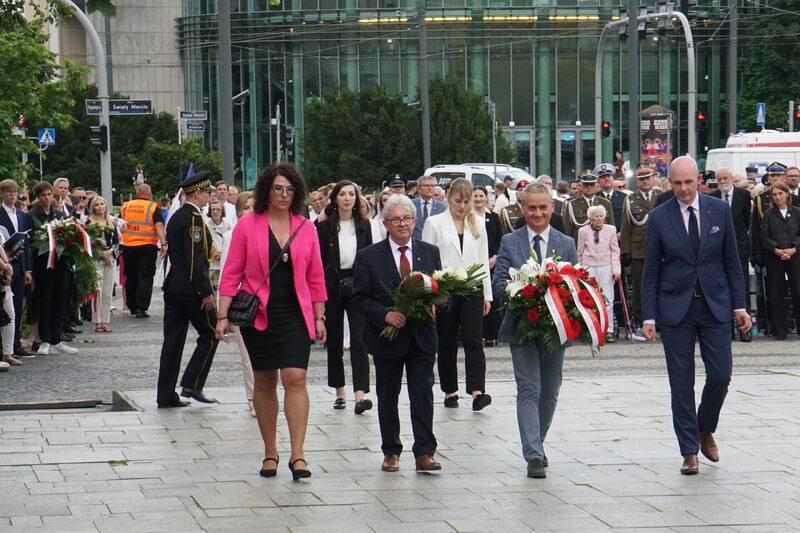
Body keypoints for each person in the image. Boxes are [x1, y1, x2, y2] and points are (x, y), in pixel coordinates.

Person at [216, 163, 327, 481]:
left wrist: (320, 317)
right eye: (278, 188)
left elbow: (316, 277)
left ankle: (298, 454)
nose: (284, 194)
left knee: (295, 378)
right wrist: (223, 316)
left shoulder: (306, 227)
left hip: (296, 312)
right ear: (267, 190)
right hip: (257, 313)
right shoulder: (248, 225)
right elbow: (232, 273)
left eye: (290, 189)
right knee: (264, 382)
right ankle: (269, 451)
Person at [642, 156, 751, 476]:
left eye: (688, 183)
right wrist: (649, 316)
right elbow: (651, 271)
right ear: (669, 182)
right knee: (681, 382)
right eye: (677, 183)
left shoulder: (719, 210)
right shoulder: (659, 217)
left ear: (699, 181)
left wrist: (740, 305)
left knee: (720, 375)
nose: (683, 189)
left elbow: (732, 260)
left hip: (715, 304)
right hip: (676, 309)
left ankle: (705, 429)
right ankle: (689, 450)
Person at [492, 182, 578, 478]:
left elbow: (576, 285)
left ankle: (537, 443)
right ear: (522, 209)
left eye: (543, 207)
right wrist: (523, 289)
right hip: (521, 326)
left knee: (550, 390)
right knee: (529, 388)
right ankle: (533, 455)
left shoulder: (566, 242)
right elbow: (497, 283)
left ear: (552, 208)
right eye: (532, 208)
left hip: (555, 329)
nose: (538, 213)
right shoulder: (509, 242)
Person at [352, 194, 443, 473]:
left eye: (407, 219)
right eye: (396, 219)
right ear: (385, 222)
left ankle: (425, 451)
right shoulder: (368, 256)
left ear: (415, 221)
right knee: (388, 395)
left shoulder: (429, 252)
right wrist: (384, 315)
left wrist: (438, 301)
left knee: (422, 394)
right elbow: (359, 297)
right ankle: (391, 451)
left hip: (422, 335)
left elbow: (441, 287)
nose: (402, 224)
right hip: (386, 337)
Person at [422, 178, 493, 411]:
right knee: (447, 340)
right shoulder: (434, 223)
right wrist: (429, 295)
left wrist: (487, 294)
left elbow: (483, 260)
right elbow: (427, 258)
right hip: (445, 288)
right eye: (458, 201)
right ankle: (449, 390)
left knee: (474, 340)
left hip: (472, 287)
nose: (462, 206)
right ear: (449, 198)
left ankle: (477, 391)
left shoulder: (479, 223)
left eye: (466, 201)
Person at [156, 171, 220, 408]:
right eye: (207, 192)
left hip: (175, 287)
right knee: (212, 332)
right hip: (189, 290)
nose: (210, 196)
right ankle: (193, 383)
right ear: (196, 193)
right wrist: (205, 292)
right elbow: (195, 260)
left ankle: (165, 394)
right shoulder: (193, 219)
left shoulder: (177, 216)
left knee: (172, 342)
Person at [316, 180, 373, 413]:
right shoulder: (324, 226)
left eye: (352, 194)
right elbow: (317, 258)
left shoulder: (364, 225)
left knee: (359, 340)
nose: (348, 198)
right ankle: (340, 391)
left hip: (358, 284)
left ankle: (360, 394)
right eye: (343, 194)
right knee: (335, 341)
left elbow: (370, 255)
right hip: (333, 285)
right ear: (335, 198)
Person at [29, 182, 78, 355]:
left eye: (49, 194)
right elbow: (30, 243)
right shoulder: (32, 215)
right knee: (44, 301)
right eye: (43, 195)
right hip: (42, 265)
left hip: (59, 264)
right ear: (38, 196)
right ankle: (44, 339)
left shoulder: (58, 214)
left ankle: (57, 339)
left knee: (59, 301)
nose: (47, 198)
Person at [219, 191, 257, 416]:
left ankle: (266, 394)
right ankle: (253, 398)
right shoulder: (230, 235)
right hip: (242, 304)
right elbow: (226, 275)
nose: (250, 212)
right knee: (248, 355)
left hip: (266, 301)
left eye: (254, 208)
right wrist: (224, 313)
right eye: (246, 208)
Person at [710, 168, 753, 341]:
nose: (722, 182)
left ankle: (745, 328)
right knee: (722, 288)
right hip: (718, 251)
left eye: (725, 178)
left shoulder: (743, 196)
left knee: (741, 286)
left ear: (731, 178)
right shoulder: (712, 197)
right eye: (719, 179)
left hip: (739, 249)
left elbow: (747, 222)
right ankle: (728, 329)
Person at [620, 167, 660, 328]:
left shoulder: (661, 196)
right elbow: (626, 227)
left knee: (661, 283)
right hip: (639, 250)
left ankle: (659, 318)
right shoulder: (630, 200)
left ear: (653, 179)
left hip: (660, 248)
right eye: (642, 179)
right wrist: (626, 251)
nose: (645, 182)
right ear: (637, 182)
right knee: (639, 287)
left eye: (648, 178)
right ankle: (640, 318)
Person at [760, 182, 800, 340]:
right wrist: (776, 249)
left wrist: (794, 249)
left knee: (798, 291)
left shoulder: (797, 212)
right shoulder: (769, 214)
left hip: (795, 257)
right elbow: (765, 236)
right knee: (777, 294)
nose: (777, 197)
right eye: (774, 195)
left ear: (787, 194)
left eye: (780, 194)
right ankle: (780, 330)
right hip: (775, 258)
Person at [120, 184, 167, 318]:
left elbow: (119, 224)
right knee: (145, 277)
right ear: (149, 194)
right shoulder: (152, 207)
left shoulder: (125, 206)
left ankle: (132, 306)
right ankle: (141, 308)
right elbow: (159, 225)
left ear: (136, 193)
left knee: (131, 276)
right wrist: (163, 243)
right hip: (147, 246)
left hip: (128, 246)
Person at [577, 205, 621, 343]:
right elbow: (579, 251)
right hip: (588, 266)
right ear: (590, 218)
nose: (599, 219)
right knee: (589, 299)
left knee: (608, 299)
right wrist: (578, 270)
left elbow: (615, 251)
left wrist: (616, 270)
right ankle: (592, 329)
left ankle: (608, 330)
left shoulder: (611, 229)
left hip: (606, 266)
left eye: (601, 216)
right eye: (596, 216)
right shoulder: (583, 231)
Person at [0, 179, 33, 359]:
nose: (12, 195)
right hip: (4, 266)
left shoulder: (21, 214)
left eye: (14, 192)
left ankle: (15, 343)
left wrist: (28, 269)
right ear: (2, 194)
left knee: (18, 307)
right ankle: (4, 347)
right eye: (8, 192)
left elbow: (26, 243)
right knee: (4, 307)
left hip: (19, 267)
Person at [473, 186, 502, 347]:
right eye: (475, 196)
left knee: (493, 298)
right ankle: (481, 334)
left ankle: (493, 334)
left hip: (491, 261)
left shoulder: (494, 217)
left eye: (481, 196)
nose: (478, 199)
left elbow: (499, 238)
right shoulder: (467, 217)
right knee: (478, 298)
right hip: (475, 263)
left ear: (486, 198)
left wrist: (495, 257)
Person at [86, 196, 119, 333]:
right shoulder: (90, 222)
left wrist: (110, 252)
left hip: (110, 258)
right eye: (97, 204)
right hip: (96, 259)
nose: (100, 207)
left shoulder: (111, 222)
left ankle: (105, 320)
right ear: (93, 207)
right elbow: (87, 242)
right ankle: (97, 321)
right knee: (97, 290)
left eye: (102, 204)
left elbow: (118, 242)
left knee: (107, 291)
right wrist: (101, 254)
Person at [562, 172, 614, 242]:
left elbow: (611, 229)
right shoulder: (572, 205)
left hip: (602, 247)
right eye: (586, 184)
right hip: (580, 246)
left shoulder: (605, 203)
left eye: (592, 184)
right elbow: (567, 230)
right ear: (581, 186)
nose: (589, 187)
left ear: (596, 185)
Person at [205, 201, 231, 293]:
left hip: (226, 267)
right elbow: (202, 247)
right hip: (212, 267)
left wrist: (224, 254)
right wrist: (213, 253)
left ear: (222, 211)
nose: (215, 212)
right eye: (213, 209)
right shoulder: (205, 227)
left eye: (218, 209)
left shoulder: (230, 226)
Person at [411, 175, 446, 240]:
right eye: (426, 186)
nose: (430, 188)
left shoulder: (441, 207)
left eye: (432, 186)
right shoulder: (410, 204)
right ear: (418, 188)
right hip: (415, 244)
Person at [595, 163, 626, 231]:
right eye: (603, 177)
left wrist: (622, 233)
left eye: (608, 176)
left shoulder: (624, 198)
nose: (606, 179)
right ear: (598, 181)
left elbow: (626, 219)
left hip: (619, 236)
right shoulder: (595, 198)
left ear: (613, 178)